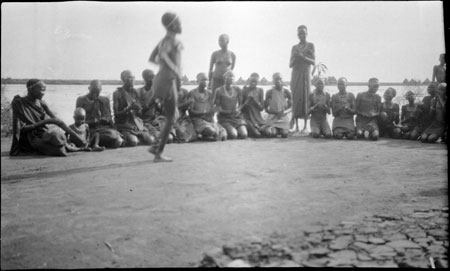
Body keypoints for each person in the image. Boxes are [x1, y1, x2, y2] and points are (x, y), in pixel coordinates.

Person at [10, 79, 85, 156]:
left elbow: (59, 122)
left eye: (44, 91)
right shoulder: (19, 103)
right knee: (61, 152)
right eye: (41, 90)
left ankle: (69, 146)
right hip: (29, 138)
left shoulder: (42, 103)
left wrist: (79, 139)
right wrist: (46, 121)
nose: (43, 93)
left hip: (43, 133)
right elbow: (20, 129)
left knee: (56, 134)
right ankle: (68, 147)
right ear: (30, 89)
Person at [148, 12, 183, 162]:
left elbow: (152, 59)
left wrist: (164, 66)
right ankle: (158, 152)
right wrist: (173, 69)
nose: (181, 25)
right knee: (171, 117)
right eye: (179, 22)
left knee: (173, 116)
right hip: (168, 80)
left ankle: (156, 147)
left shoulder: (164, 40)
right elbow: (163, 55)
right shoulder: (171, 41)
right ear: (173, 25)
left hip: (164, 79)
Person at [76, 80, 124, 148]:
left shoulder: (105, 100)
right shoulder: (81, 100)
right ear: (89, 88)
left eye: (97, 91)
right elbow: (78, 122)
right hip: (89, 129)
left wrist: (116, 129)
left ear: (101, 90)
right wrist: (94, 121)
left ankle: (97, 143)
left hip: (104, 129)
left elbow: (110, 119)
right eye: (93, 91)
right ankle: (96, 142)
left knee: (118, 141)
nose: (95, 94)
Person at [113, 70, 154, 147]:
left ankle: (135, 137)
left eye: (133, 77)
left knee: (150, 140)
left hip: (136, 124)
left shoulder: (135, 92)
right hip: (124, 124)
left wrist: (138, 109)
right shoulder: (117, 93)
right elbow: (116, 114)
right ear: (123, 79)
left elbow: (140, 113)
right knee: (133, 142)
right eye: (130, 77)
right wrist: (128, 109)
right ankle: (126, 137)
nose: (133, 80)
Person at [290, 25, 315, 135]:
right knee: (296, 98)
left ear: (307, 34)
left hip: (306, 75)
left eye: (303, 33)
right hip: (296, 75)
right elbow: (290, 64)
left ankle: (305, 126)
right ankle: (295, 126)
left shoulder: (310, 46)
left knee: (306, 97)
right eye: (300, 33)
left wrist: (302, 57)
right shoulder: (294, 47)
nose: (302, 35)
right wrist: (296, 58)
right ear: (297, 35)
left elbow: (313, 61)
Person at [188, 73, 227, 141]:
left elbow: (211, 109)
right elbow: (190, 111)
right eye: (202, 80)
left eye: (207, 80)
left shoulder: (210, 93)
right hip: (197, 119)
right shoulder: (192, 93)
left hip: (208, 120)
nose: (205, 82)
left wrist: (214, 111)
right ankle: (201, 134)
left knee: (223, 135)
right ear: (197, 81)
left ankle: (205, 135)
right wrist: (203, 113)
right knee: (211, 132)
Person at [214, 70, 248, 139]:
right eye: (228, 77)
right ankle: (223, 129)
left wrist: (238, 110)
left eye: (232, 78)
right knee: (234, 135)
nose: (230, 79)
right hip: (224, 118)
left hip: (235, 117)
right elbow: (217, 107)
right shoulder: (219, 90)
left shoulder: (237, 89)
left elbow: (241, 104)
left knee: (244, 135)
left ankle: (232, 129)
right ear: (224, 79)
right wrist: (227, 112)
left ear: (234, 80)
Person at [240, 73, 272, 138]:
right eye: (252, 81)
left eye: (255, 82)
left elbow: (261, 108)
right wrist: (248, 101)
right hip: (248, 118)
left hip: (258, 118)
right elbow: (241, 109)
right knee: (257, 134)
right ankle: (251, 129)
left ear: (257, 82)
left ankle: (258, 128)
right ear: (249, 81)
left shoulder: (260, 90)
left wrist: (254, 101)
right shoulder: (244, 90)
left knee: (269, 133)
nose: (253, 83)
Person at [264, 73, 292, 138]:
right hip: (273, 117)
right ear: (273, 81)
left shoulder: (287, 92)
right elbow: (266, 109)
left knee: (285, 134)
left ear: (282, 80)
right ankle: (272, 129)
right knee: (271, 134)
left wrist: (284, 112)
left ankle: (283, 130)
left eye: (280, 79)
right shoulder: (269, 92)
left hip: (283, 117)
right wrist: (275, 113)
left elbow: (291, 107)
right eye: (276, 79)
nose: (278, 81)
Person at [208, 34, 236, 98]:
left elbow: (231, 70)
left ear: (227, 41)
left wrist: (230, 79)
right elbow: (210, 69)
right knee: (214, 98)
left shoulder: (232, 55)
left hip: (226, 82)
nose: (220, 43)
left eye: (222, 40)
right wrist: (209, 83)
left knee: (226, 98)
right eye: (219, 41)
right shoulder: (215, 54)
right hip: (216, 80)